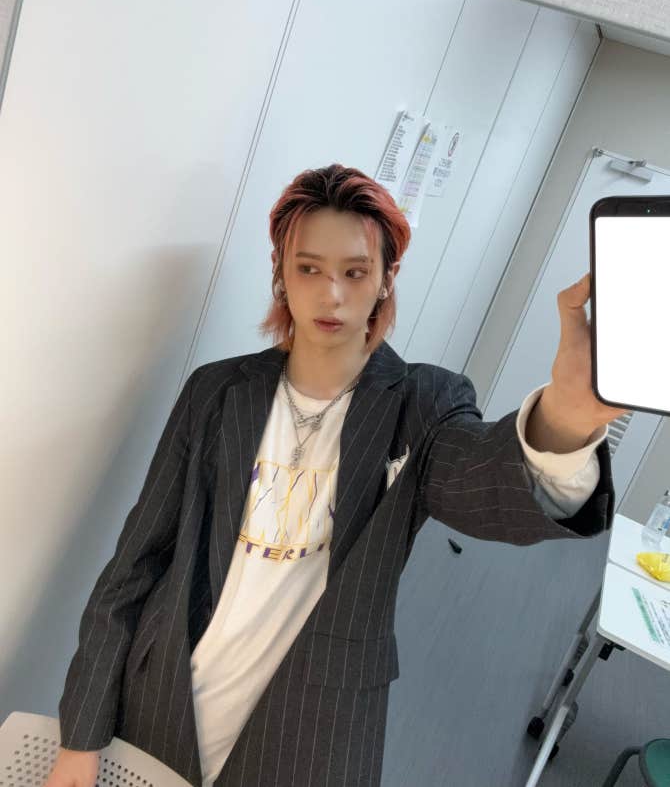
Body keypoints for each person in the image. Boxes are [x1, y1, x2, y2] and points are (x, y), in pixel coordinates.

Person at [45, 164, 622, 787]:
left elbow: (479, 480)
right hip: (167, 697)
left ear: (385, 279)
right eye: (309, 269)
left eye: (354, 272)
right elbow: (135, 564)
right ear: (281, 272)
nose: (331, 295)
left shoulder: (421, 403)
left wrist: (564, 422)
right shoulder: (215, 392)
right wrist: (82, 732)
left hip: (316, 724)